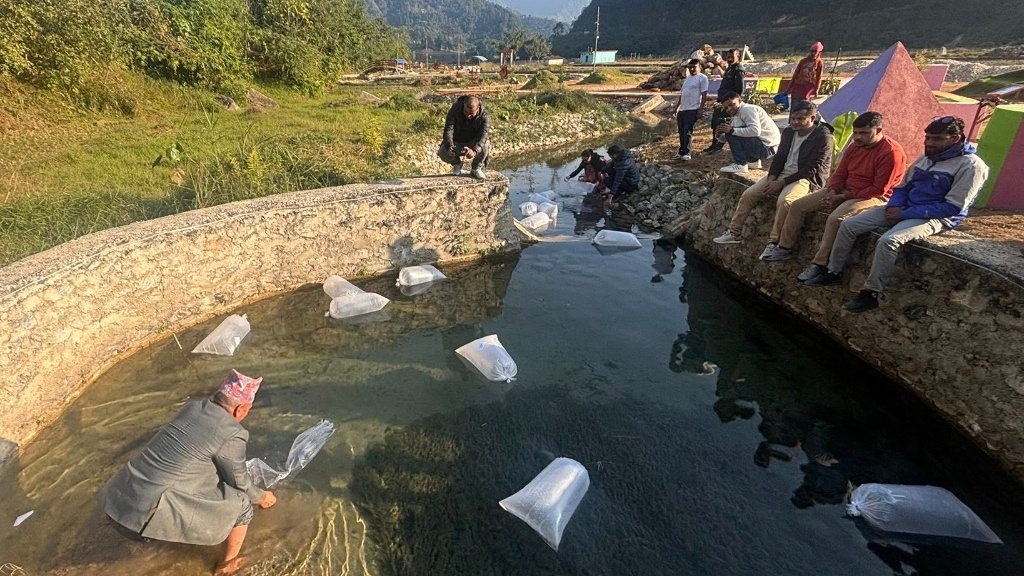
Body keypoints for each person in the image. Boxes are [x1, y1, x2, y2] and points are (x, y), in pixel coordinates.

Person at [805, 116, 990, 313]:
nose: (929, 143)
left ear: (955, 138)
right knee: (849, 225)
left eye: (937, 139)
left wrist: (904, 213)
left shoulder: (971, 166)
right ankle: (833, 271)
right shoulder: (927, 157)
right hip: (904, 207)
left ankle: (870, 293)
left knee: (889, 241)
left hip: (934, 216)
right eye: (927, 137)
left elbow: (953, 207)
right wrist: (895, 206)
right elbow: (902, 187)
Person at [102, 370, 276, 575]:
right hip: (138, 523)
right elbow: (240, 483)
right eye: (248, 410)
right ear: (240, 409)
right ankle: (227, 565)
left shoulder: (191, 407)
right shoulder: (234, 432)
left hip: (115, 501)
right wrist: (262, 497)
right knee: (243, 506)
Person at [766, 112, 907, 276]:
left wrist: (841, 197)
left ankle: (819, 264)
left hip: (871, 196)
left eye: (864, 133)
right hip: (843, 190)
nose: (858, 137)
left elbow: (879, 189)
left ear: (878, 130)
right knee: (797, 205)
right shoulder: (855, 147)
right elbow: (840, 173)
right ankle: (784, 247)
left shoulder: (891, 152)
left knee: (835, 218)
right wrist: (833, 191)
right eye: (855, 133)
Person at [712, 100, 832, 249]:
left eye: (801, 119)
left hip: (805, 178)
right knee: (748, 194)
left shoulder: (823, 136)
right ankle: (734, 233)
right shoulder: (789, 132)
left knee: (785, 202)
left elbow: (811, 168)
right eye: (793, 118)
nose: (795, 122)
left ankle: (773, 242)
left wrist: (781, 183)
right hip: (782, 174)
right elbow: (779, 158)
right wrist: (772, 178)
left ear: (812, 118)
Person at [714, 90, 783, 174]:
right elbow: (732, 138)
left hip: (768, 148)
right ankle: (753, 162)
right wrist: (718, 135)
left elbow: (755, 131)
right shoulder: (736, 115)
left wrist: (731, 130)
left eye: (732, 105)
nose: (729, 109)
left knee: (732, 131)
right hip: (765, 147)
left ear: (740, 101)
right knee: (733, 132)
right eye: (726, 108)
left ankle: (741, 164)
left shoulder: (747, 109)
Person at [438, 94, 490, 179]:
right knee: (443, 151)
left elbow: (483, 136)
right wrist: (450, 146)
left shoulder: (484, 115)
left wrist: (474, 151)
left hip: (473, 142)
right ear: (463, 106)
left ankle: (476, 168)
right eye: (466, 112)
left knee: (485, 144)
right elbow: (448, 130)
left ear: (478, 108)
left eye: (471, 114)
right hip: (457, 142)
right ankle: (457, 164)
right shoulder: (454, 110)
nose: (468, 116)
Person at [705, 49, 745, 154]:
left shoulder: (738, 69)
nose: (729, 58)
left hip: (728, 103)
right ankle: (714, 144)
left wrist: (731, 103)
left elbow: (739, 89)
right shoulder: (730, 68)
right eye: (728, 57)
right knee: (715, 123)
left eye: (732, 56)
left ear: (738, 56)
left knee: (721, 122)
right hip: (722, 101)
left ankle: (719, 146)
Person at [672, 59, 709, 161]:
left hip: (692, 108)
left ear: (699, 67)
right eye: (690, 67)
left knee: (687, 131)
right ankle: (681, 152)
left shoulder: (702, 78)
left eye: (694, 67)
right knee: (681, 131)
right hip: (683, 109)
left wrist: (701, 109)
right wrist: (677, 107)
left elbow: (704, 95)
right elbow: (683, 94)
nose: (692, 69)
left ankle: (687, 153)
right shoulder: (688, 78)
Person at [789, 42, 824, 107]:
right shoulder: (803, 61)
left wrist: (816, 89)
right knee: (794, 104)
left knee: (804, 105)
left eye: (815, 51)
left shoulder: (819, 62)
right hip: (798, 85)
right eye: (812, 51)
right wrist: (789, 88)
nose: (813, 53)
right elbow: (795, 74)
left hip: (808, 86)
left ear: (819, 52)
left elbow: (819, 77)